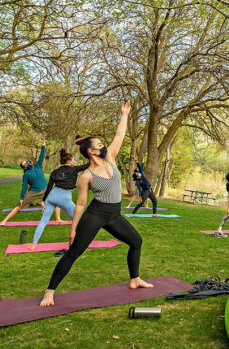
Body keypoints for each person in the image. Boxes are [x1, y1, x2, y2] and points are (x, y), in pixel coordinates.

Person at [40, 102, 153, 308]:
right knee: (74, 252)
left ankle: (135, 279)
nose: (103, 147)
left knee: (136, 241)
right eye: (99, 145)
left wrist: (124, 115)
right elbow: (81, 204)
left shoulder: (110, 158)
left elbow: (119, 136)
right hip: (95, 215)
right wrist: (73, 228)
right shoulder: (85, 176)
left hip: (114, 215)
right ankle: (49, 291)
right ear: (91, 151)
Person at [27, 149, 90, 251]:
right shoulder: (74, 169)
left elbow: (49, 188)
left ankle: (33, 245)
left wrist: (43, 201)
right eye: (73, 159)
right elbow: (88, 165)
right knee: (80, 220)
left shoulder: (55, 172)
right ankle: (80, 242)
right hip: (65, 198)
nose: (74, 161)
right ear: (69, 161)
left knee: (43, 222)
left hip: (52, 197)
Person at [0, 137, 61, 226]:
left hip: (45, 190)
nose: (27, 163)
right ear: (24, 167)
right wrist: (21, 198)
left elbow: (42, 155)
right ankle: (4, 221)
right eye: (25, 164)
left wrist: (43, 144)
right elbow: (24, 186)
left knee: (57, 202)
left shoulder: (38, 166)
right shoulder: (26, 174)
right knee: (19, 206)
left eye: (26, 161)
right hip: (33, 192)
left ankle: (58, 219)